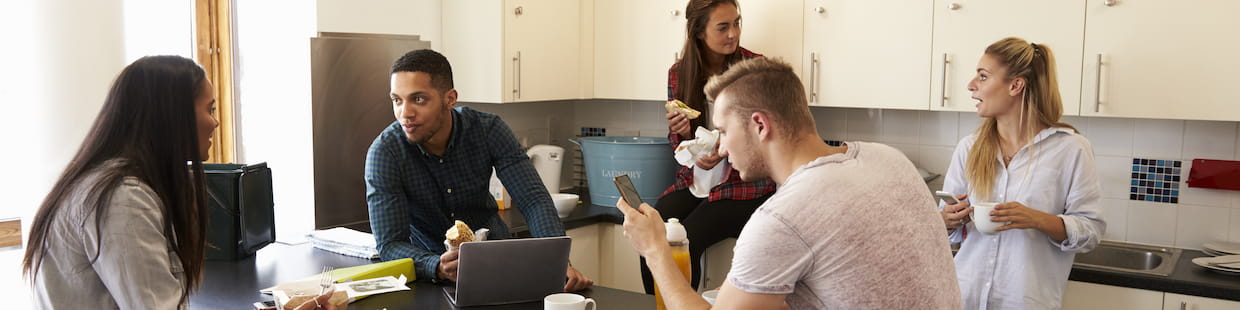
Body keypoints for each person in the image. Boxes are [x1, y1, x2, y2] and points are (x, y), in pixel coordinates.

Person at [621, 57, 961, 309]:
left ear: (759, 125)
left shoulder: (783, 218)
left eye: (724, 131)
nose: (721, 147)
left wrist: (655, 250)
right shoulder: (889, 158)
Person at [20, 55, 337, 310]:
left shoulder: (111, 185)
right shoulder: (123, 200)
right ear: (172, 115)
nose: (215, 121)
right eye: (209, 109)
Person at [365, 49, 592, 291]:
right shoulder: (385, 152)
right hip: (429, 274)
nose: (405, 113)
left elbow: (533, 200)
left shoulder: (487, 129)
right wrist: (436, 266)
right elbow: (390, 244)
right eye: (397, 100)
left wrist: (556, 262)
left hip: (498, 260)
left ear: (450, 99)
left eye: (418, 99)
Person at [938, 37, 1105, 309]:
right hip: (964, 297)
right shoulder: (969, 148)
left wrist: (1037, 219)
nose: (970, 85)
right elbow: (949, 234)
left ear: (1016, 85)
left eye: (983, 76)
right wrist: (947, 221)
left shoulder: (1071, 149)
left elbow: (1091, 232)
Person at [645, 0, 777, 294]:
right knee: (652, 233)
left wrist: (724, 149)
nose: (733, 33)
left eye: (737, 23)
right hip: (695, 183)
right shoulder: (679, 73)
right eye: (723, 27)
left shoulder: (755, 70)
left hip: (744, 188)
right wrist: (680, 135)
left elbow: (767, 135)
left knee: (685, 240)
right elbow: (680, 144)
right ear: (699, 32)